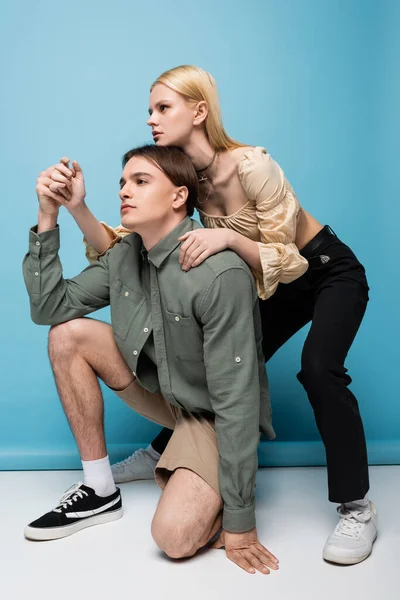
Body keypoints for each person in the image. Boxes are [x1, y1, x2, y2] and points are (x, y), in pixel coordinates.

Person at [46, 65, 377, 566]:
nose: (151, 119)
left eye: (164, 108)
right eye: (150, 109)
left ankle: (357, 506)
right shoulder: (187, 184)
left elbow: (292, 261)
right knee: (219, 359)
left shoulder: (250, 166)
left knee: (318, 369)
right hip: (264, 281)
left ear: (199, 112)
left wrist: (226, 237)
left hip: (321, 269)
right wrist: (77, 210)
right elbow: (128, 249)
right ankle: (171, 446)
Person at [23, 144, 279, 575]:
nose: (125, 190)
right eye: (123, 182)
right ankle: (99, 489)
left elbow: (236, 402)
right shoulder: (125, 256)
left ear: (179, 197)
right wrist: (48, 215)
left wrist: (240, 523)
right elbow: (49, 308)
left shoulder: (221, 274)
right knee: (67, 334)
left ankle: (201, 476)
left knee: (173, 539)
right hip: (164, 395)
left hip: (214, 417)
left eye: (141, 182)